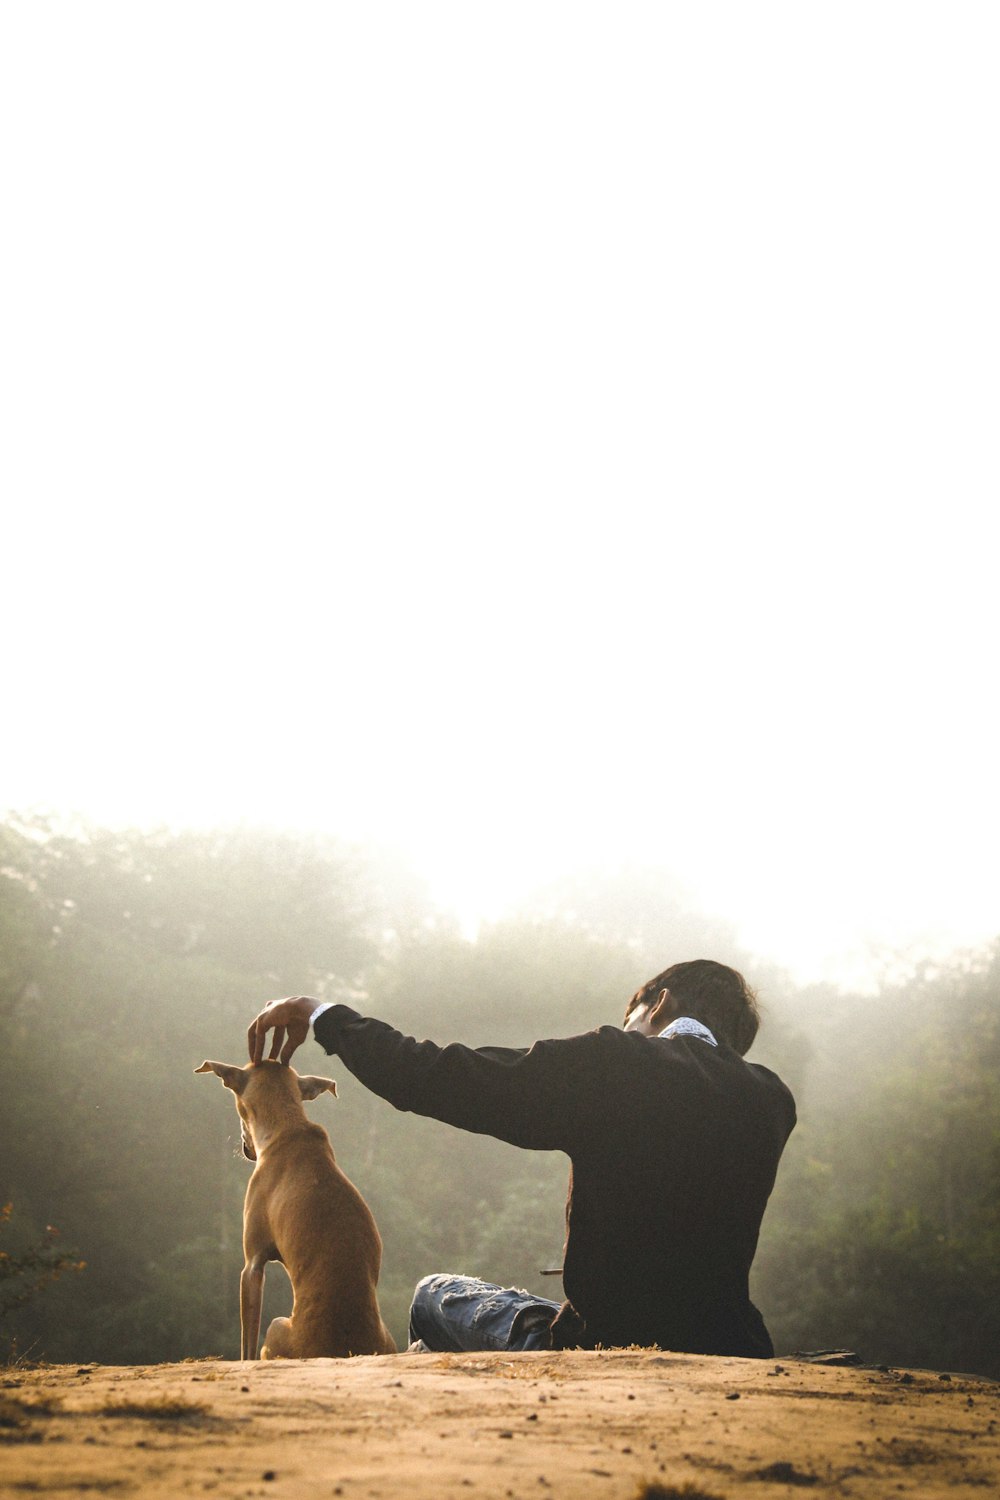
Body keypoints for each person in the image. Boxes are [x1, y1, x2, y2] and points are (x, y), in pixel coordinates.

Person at [247, 959, 796, 1357]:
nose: (627, 1029)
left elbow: (438, 1077)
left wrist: (322, 1015)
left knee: (433, 1297)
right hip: (736, 1345)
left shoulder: (622, 1062)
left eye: (631, 1017)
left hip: (606, 1344)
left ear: (660, 1004)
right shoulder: (772, 1100)